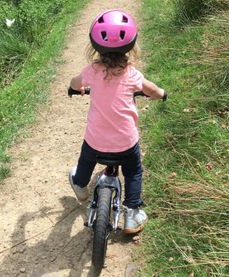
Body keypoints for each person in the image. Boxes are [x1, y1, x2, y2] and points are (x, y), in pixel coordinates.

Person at [68, 9, 165, 234]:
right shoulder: (132, 74)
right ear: (131, 47)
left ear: (95, 46)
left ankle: (81, 184)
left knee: (85, 159)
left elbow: (75, 83)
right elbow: (151, 90)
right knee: (133, 172)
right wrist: (160, 93)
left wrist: (77, 88)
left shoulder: (92, 70)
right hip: (126, 143)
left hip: (95, 143)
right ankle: (132, 213)